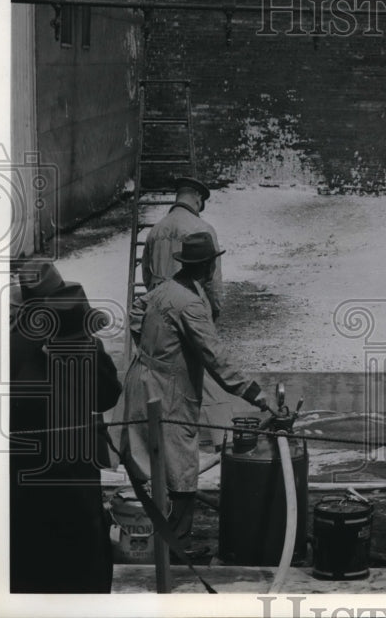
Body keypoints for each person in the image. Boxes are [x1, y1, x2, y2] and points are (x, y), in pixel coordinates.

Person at [119, 231, 277, 558]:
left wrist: (153, 351)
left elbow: (136, 314)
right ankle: (177, 549)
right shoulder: (189, 302)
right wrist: (256, 394)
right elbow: (215, 355)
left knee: (151, 462)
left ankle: (153, 539)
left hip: (144, 379)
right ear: (206, 267)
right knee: (181, 470)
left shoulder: (163, 289)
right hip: (167, 392)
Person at [10, 263, 122, 592]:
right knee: (80, 561)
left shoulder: (10, 344)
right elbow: (108, 396)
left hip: (24, 476)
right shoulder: (78, 336)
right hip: (74, 475)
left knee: (31, 561)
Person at [141, 175, 224, 321]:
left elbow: (147, 274)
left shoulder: (156, 229)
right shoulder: (203, 229)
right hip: (191, 308)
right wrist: (215, 308)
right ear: (198, 198)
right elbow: (212, 277)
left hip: (159, 306)